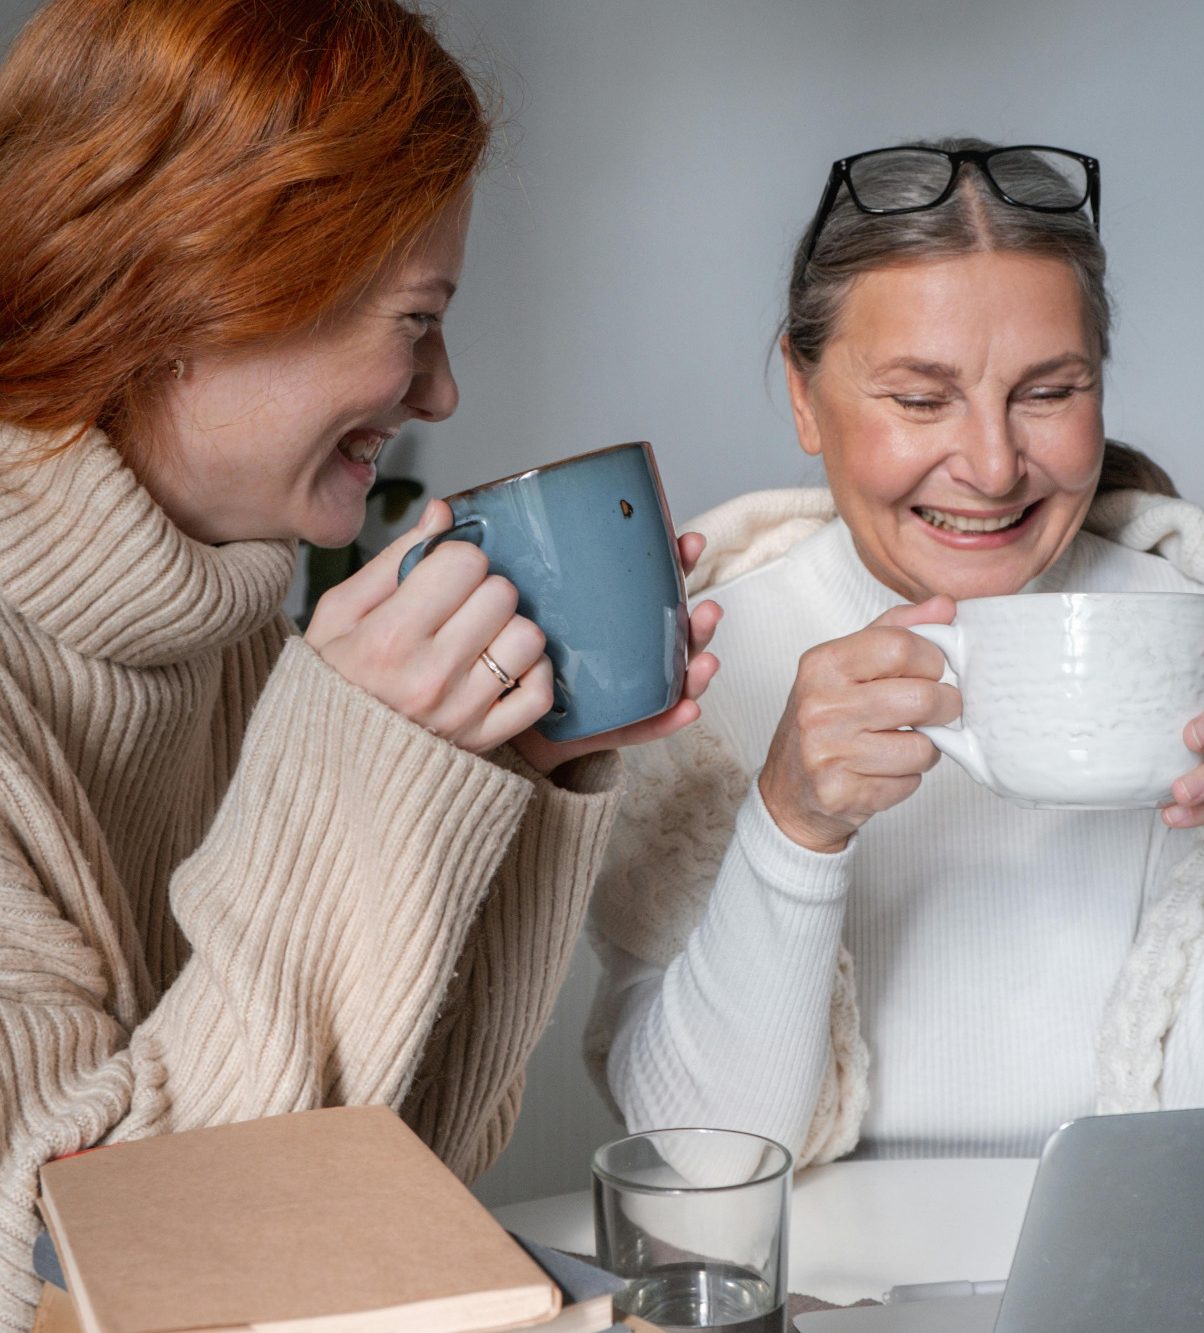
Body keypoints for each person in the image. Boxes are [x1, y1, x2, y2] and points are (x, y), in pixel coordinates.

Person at [0, 0, 720, 1323]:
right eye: (415, 317)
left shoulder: (211, 630)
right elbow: (74, 1266)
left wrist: (497, 774)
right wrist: (353, 758)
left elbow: (385, 1183)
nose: (439, 393)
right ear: (196, 290)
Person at [586, 140, 1204, 1171]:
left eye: (1047, 391)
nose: (989, 466)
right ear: (803, 397)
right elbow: (702, 1163)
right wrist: (791, 822)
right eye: (921, 398)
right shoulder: (709, 669)